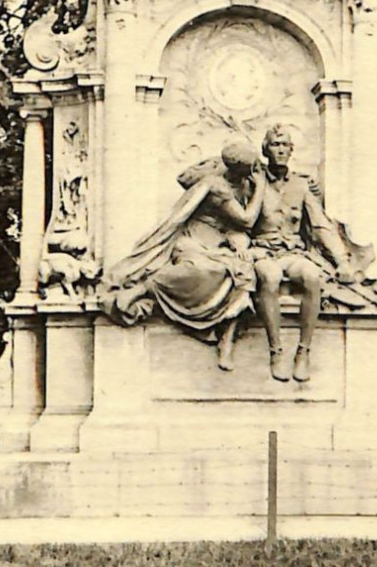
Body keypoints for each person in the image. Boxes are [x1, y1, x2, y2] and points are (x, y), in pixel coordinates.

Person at [106, 138, 266, 370]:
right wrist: (260, 188)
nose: (255, 172)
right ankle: (143, 289)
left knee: (243, 273)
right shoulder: (216, 185)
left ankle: (227, 340)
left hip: (222, 246)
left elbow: (239, 227)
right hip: (194, 242)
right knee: (199, 270)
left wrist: (237, 240)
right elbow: (246, 219)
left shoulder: (242, 184)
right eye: (251, 167)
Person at [250, 124, 359, 383]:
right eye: (275, 145)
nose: (280, 150)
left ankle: (304, 351)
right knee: (270, 277)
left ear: (291, 150)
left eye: (285, 145)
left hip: (293, 252)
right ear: (265, 149)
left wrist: (342, 261)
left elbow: (321, 224)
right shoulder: (253, 181)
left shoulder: (301, 185)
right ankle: (276, 350)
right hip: (262, 251)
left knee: (312, 276)